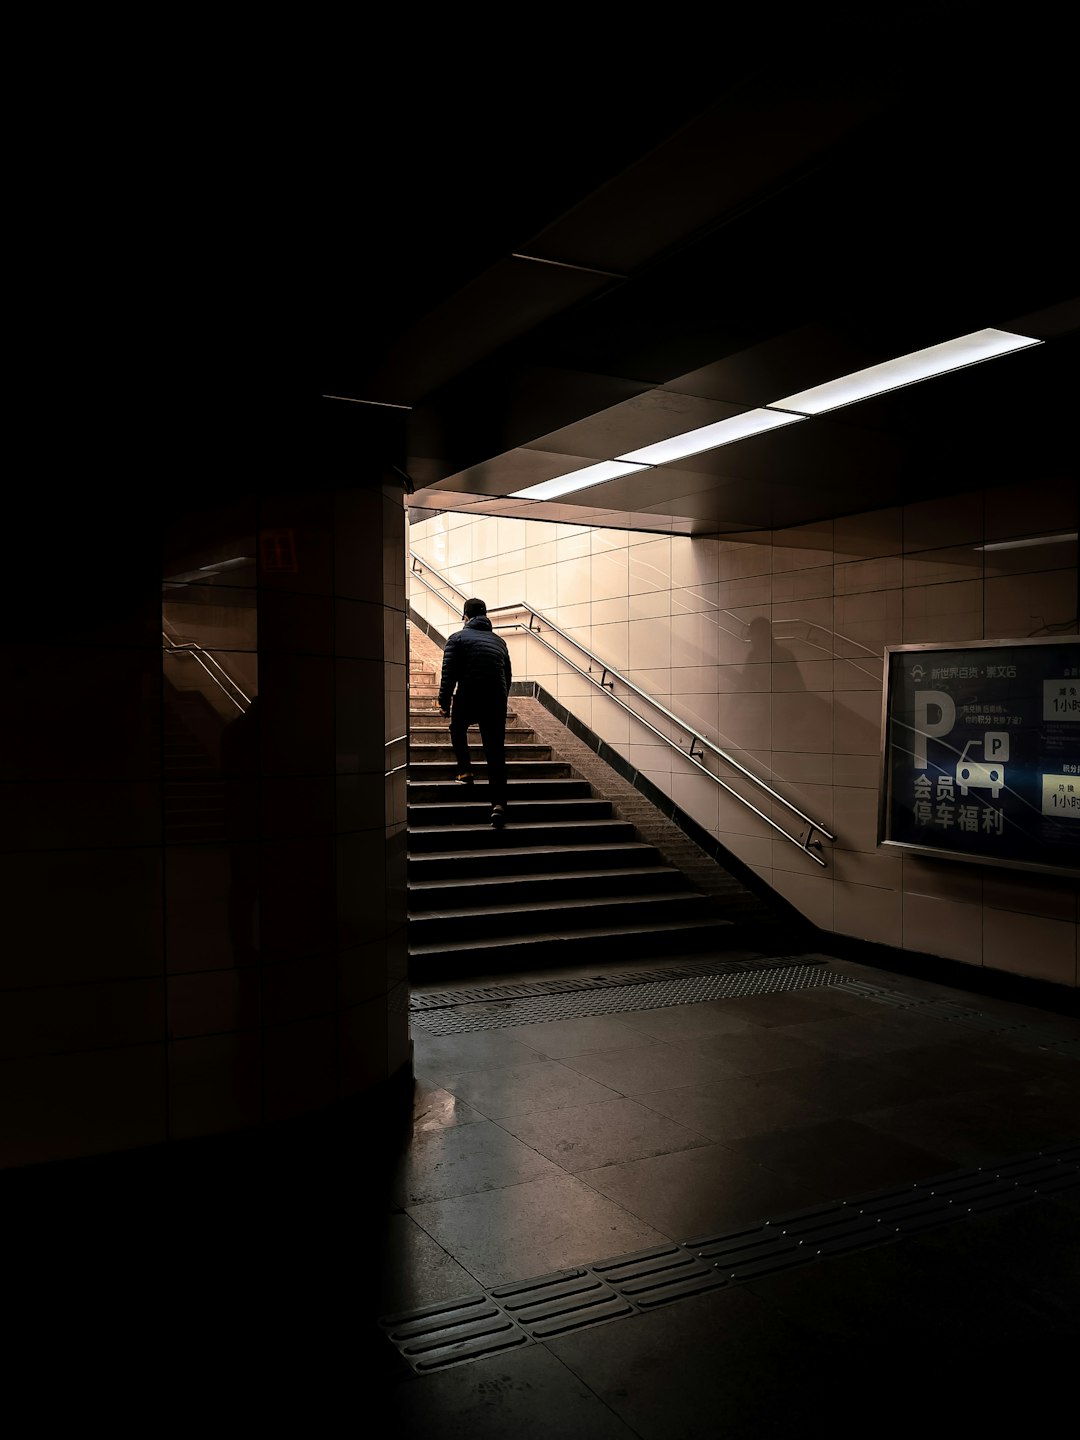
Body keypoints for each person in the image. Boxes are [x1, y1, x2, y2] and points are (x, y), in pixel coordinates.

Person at [437, 597, 512, 828]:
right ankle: (498, 805)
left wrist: (444, 702)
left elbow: (449, 673)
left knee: (457, 728)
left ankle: (465, 771)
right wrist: (501, 699)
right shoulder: (500, 642)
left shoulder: (457, 639)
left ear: (465, 617)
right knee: (495, 752)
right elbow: (507, 676)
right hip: (495, 700)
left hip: (469, 695)